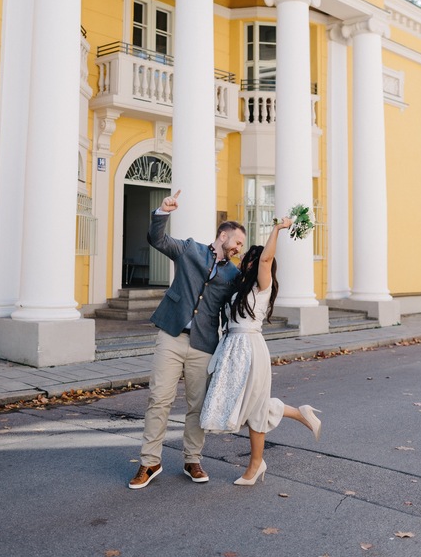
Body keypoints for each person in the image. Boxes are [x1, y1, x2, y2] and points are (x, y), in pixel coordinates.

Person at [129, 190, 246, 489]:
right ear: (223, 236)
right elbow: (158, 240)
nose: (238, 249)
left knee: (198, 406)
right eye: (237, 242)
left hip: (204, 343)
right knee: (159, 399)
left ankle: (192, 459)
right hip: (171, 334)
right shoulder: (190, 250)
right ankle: (149, 462)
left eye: (242, 246)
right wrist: (163, 213)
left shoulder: (233, 274)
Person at [200, 218, 322, 486]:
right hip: (232, 348)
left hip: (250, 349)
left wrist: (276, 230)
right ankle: (298, 413)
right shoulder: (240, 288)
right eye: (248, 257)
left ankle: (256, 464)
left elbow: (266, 260)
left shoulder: (262, 286)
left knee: (254, 408)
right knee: (244, 405)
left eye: (251, 257)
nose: (247, 260)